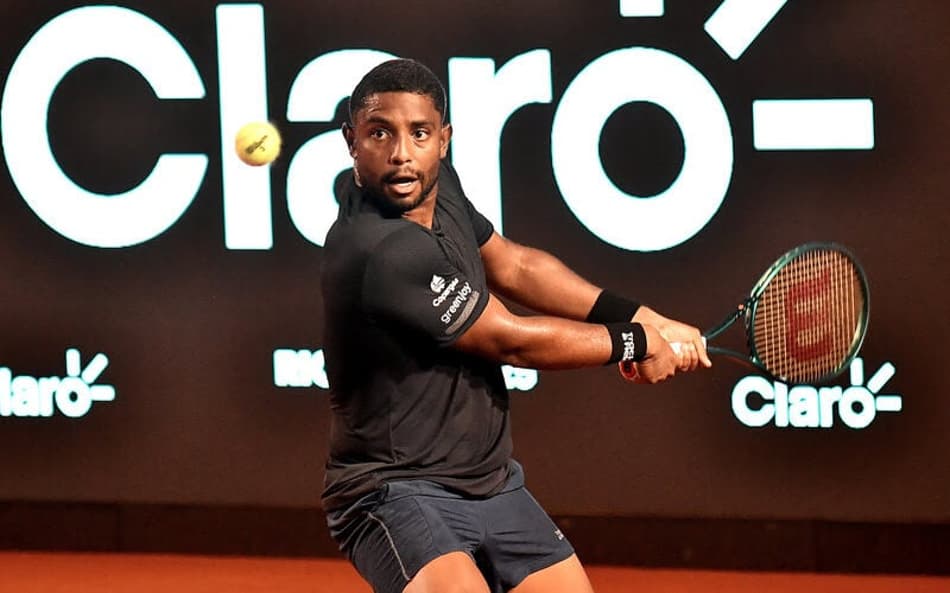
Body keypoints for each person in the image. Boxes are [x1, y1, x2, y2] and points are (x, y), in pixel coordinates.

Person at [320, 58, 711, 593]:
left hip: (493, 483)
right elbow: (511, 340)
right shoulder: (378, 250)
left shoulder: (438, 188)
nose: (402, 153)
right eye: (379, 133)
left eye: (420, 133)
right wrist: (635, 341)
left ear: (444, 139)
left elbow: (514, 265)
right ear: (350, 140)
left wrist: (638, 314)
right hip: (394, 489)